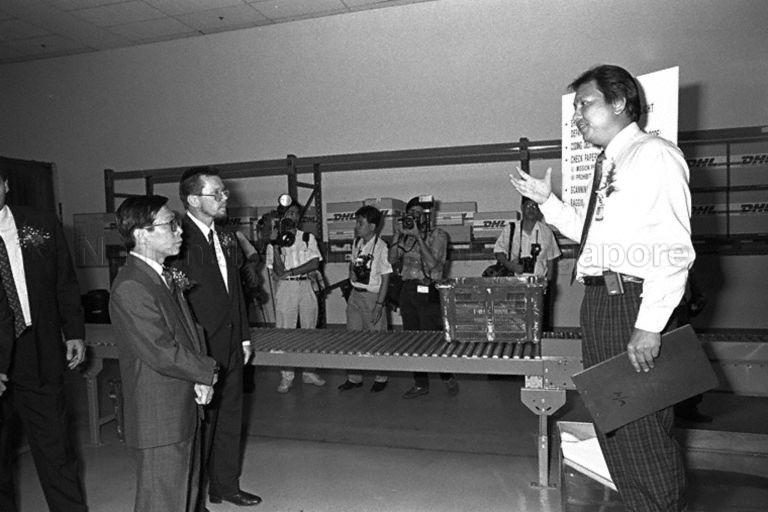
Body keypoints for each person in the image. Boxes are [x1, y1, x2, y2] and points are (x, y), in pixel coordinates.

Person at [510, 64, 694, 511]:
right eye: (575, 108)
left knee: (640, 429)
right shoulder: (611, 161)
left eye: (585, 104)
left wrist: (649, 325)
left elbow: (674, 248)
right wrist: (547, 202)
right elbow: (597, 237)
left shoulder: (654, 156)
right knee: (615, 425)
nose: (577, 116)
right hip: (602, 302)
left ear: (619, 103)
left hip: (631, 302)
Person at [109, 195, 219, 512]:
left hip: (180, 404)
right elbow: (160, 350)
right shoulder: (132, 285)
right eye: (170, 224)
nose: (179, 230)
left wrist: (199, 379)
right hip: (159, 415)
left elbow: (188, 331)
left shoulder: (159, 273)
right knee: (163, 502)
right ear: (142, 234)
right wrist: (207, 371)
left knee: (184, 496)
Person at [172, 166, 261, 508]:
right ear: (193, 200)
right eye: (217, 193)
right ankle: (193, 499)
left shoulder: (225, 235)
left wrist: (243, 337)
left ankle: (225, 485)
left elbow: (234, 292)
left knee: (229, 416)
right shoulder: (178, 239)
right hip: (199, 346)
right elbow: (178, 303)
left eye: (225, 192)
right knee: (200, 425)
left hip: (230, 342)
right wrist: (190, 351)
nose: (226, 198)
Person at [0, 168, 88, 512]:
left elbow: (64, 281)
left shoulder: (41, 224)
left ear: (6, 184)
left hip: (40, 348)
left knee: (57, 450)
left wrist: (75, 331)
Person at [389, 195, 459, 399]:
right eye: (412, 214)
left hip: (429, 290)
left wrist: (419, 237)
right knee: (413, 339)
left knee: (434, 338)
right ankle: (420, 383)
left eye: (419, 214)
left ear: (428, 216)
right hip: (407, 290)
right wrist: (396, 235)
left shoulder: (439, 235)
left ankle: (447, 376)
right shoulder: (404, 236)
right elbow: (392, 260)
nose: (415, 217)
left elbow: (434, 266)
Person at [265, 197, 326, 393]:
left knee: (309, 329)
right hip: (285, 289)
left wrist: (291, 272)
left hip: (306, 286)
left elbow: (314, 263)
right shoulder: (274, 240)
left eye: (296, 213)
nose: (293, 216)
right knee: (285, 332)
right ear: (282, 215)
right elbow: (277, 271)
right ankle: (286, 376)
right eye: (289, 213)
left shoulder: (307, 238)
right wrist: (274, 244)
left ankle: (309, 372)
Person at [338, 205, 392, 392]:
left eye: (360, 223)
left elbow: (386, 277)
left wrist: (379, 304)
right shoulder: (357, 243)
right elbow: (353, 264)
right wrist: (352, 273)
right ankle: (354, 377)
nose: (356, 226)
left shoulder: (381, 247)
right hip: (355, 295)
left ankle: (381, 376)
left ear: (372, 226)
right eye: (357, 222)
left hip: (372, 297)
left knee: (377, 338)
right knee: (352, 337)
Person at [493, 198, 560, 280]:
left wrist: (548, 283)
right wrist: (510, 266)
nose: (531, 209)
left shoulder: (546, 232)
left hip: (539, 282)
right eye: (528, 205)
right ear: (522, 207)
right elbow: (498, 252)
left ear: (539, 209)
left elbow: (551, 261)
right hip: (514, 281)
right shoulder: (511, 229)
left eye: (535, 206)